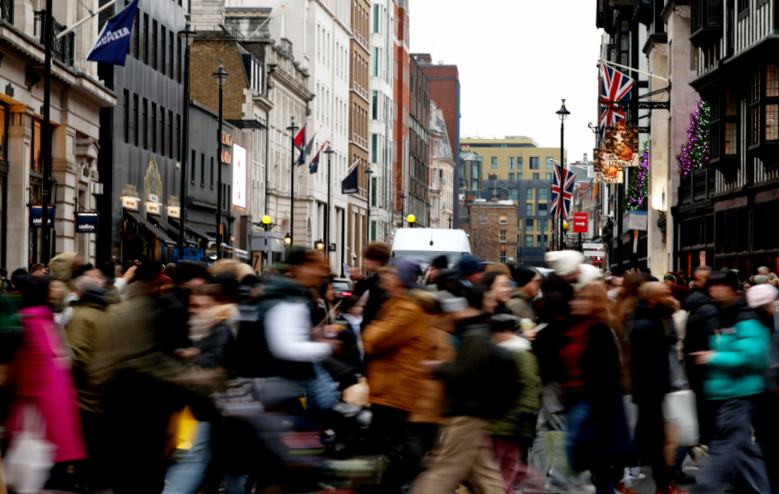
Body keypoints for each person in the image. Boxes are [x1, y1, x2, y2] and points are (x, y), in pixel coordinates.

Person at [409, 292, 517, 494]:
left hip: (467, 411)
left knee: (444, 469)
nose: (446, 317)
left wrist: (438, 367)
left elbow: (464, 374)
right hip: (475, 411)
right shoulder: (475, 332)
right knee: (484, 474)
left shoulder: (474, 336)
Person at [691, 270, 771, 494]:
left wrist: (713, 358)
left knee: (725, 448)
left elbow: (753, 356)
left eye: (721, 285)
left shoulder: (743, 315)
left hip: (738, 392)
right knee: (744, 453)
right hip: (727, 391)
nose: (714, 290)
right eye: (712, 285)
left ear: (732, 288)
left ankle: (705, 489)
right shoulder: (723, 312)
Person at [6, 275, 87, 488]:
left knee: (38, 457)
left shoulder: (27, 320)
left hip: (38, 402)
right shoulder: (45, 319)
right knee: (51, 454)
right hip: (56, 396)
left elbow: (31, 366)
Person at [362, 258, 433, 494]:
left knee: (388, 447)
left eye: (391, 273)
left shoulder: (407, 309)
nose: (385, 276)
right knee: (386, 446)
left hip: (395, 389)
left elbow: (373, 339)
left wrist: (371, 333)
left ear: (401, 279)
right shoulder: (396, 303)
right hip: (388, 387)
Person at [562, 280, 631, 494]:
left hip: (590, 399)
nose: (577, 302)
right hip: (573, 397)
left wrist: (601, 407)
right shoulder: (573, 326)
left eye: (584, 299)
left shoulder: (601, 330)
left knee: (574, 447)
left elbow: (607, 370)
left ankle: (571, 484)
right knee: (599, 462)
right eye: (576, 298)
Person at [630, 282, 688, 494]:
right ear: (652, 299)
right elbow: (641, 360)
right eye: (664, 294)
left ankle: (661, 484)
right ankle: (662, 485)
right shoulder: (645, 324)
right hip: (650, 388)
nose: (669, 296)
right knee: (653, 439)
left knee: (650, 439)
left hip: (653, 388)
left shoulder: (656, 318)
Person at [65, 275, 118, 490]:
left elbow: (76, 355)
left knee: (86, 438)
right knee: (101, 438)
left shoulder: (80, 316)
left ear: (80, 293)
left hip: (85, 392)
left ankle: (86, 478)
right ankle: (100, 475)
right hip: (108, 389)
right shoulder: (111, 313)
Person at [488, 313, 541, 494]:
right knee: (507, 459)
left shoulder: (515, 352)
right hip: (509, 417)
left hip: (508, 417)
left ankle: (513, 487)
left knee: (502, 459)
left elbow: (528, 384)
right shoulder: (515, 351)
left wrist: (523, 413)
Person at [682, 266, 717, 446]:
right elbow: (713, 338)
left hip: (696, 364)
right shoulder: (709, 307)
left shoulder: (697, 305)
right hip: (706, 366)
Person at [355, 242, 392, 331]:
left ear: (377, 260)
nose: (363, 262)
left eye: (367, 258)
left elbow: (373, 313)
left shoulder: (381, 283)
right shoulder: (376, 281)